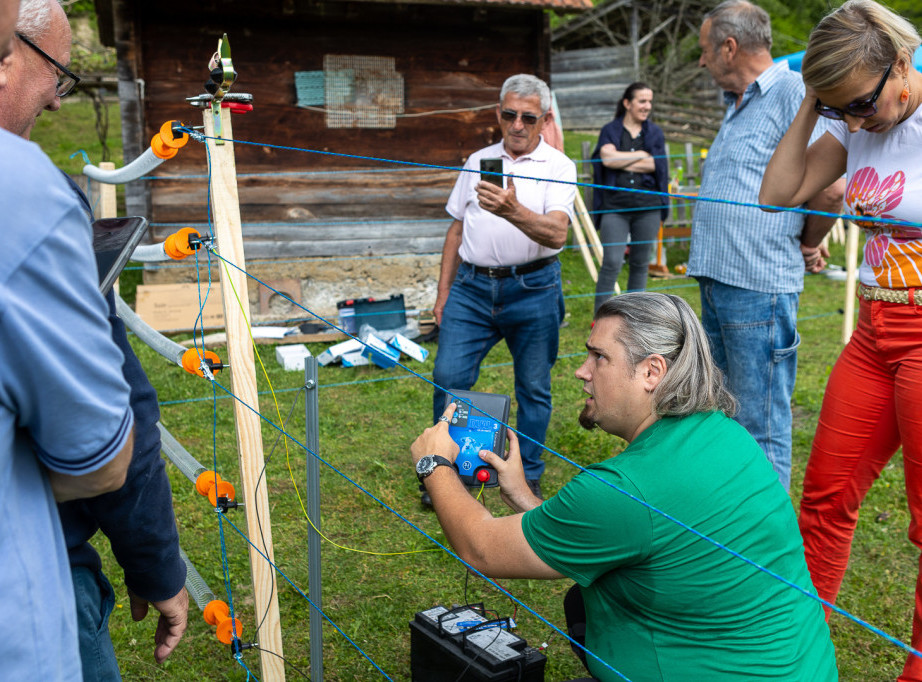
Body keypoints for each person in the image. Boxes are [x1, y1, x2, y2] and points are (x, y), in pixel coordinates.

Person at [412, 292, 837, 681]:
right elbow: (627, 530)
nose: (581, 372)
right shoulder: (728, 434)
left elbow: (481, 548)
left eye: (599, 357)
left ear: (652, 371)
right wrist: (524, 497)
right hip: (804, 668)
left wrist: (435, 464)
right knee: (581, 602)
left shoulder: (624, 489)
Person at [0, 0, 189, 678]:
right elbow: (102, 448)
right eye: (57, 74)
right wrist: (157, 565)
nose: (57, 100)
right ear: (6, 55)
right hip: (26, 585)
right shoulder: (25, 198)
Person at [759, 1, 922, 677]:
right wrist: (814, 102)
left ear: (901, 63)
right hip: (874, 333)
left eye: (860, 104)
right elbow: (777, 193)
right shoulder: (853, 123)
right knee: (825, 499)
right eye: (839, 109)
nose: (854, 122)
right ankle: (793, 656)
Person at [690, 0, 844, 490]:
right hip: (720, 280)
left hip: (758, 285)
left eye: (704, 50)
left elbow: (831, 187)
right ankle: (734, 512)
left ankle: (766, 530)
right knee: (726, 413)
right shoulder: (739, 102)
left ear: (729, 47)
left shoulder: (793, 93)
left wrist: (809, 242)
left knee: (761, 424)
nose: (701, 60)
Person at [429, 74, 576, 501]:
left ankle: (526, 473)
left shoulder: (558, 166)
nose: (517, 125)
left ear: (545, 119)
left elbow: (557, 233)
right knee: (449, 376)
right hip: (472, 288)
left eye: (528, 117)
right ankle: (444, 469)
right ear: (498, 112)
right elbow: (457, 229)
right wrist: (443, 294)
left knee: (533, 386)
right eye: (509, 114)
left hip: (533, 287)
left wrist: (513, 210)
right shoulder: (478, 159)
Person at [590, 82, 669, 309]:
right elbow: (606, 160)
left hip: (648, 207)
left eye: (650, 101)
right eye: (642, 101)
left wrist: (620, 159)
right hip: (614, 207)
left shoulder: (655, 132)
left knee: (640, 263)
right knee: (612, 262)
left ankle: (634, 320)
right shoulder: (610, 130)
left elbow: (656, 165)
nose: (647, 106)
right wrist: (641, 155)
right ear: (627, 103)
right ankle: (600, 319)